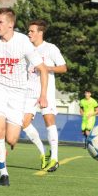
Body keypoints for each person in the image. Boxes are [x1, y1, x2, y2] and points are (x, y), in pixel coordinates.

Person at [0, 8, 48, 187]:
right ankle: (3, 173)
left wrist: (43, 95)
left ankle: (4, 139)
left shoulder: (23, 42)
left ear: (10, 24)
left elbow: (43, 69)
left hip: (18, 93)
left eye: (0, 22)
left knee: (11, 139)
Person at [22, 19, 67, 172]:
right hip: (29, 90)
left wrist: (46, 68)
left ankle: (54, 158)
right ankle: (42, 152)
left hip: (45, 90)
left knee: (49, 119)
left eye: (32, 31)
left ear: (40, 33)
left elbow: (63, 68)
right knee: (23, 122)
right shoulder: (26, 48)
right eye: (28, 31)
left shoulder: (50, 48)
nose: (29, 33)